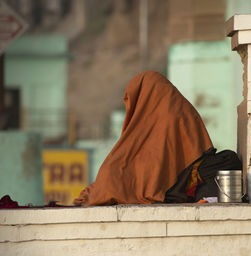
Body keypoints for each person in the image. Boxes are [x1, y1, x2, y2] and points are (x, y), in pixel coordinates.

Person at [74, 71, 213, 206]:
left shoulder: (153, 118)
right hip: (187, 179)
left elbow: (147, 167)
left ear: (141, 96)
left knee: (110, 177)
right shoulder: (182, 108)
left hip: (176, 184)